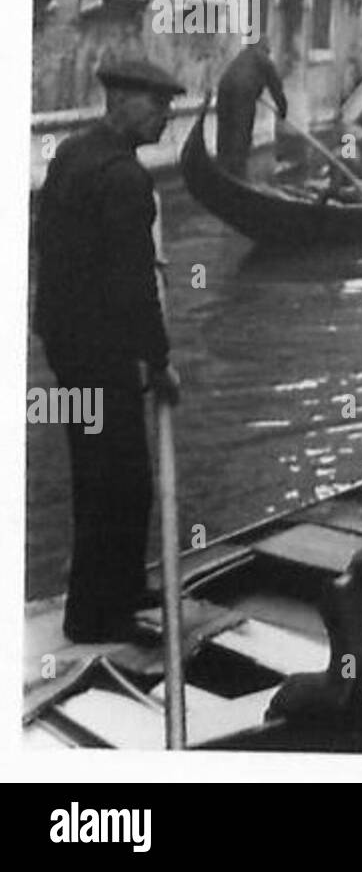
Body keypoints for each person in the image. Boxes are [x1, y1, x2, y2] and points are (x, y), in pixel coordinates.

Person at [34, 58, 186, 643]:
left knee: (96, 474)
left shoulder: (72, 152)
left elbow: (60, 242)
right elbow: (131, 291)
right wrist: (161, 361)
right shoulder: (126, 178)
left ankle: (119, 589)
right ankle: (94, 619)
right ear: (121, 101)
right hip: (100, 352)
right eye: (158, 105)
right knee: (121, 483)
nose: (165, 117)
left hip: (65, 343)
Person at [216, 35, 287, 176]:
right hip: (243, 93)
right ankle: (237, 172)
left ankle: (222, 167)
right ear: (265, 48)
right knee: (241, 132)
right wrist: (283, 109)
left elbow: (251, 77)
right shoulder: (265, 60)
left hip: (223, 89)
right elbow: (276, 87)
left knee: (225, 129)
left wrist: (257, 90)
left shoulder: (243, 56)